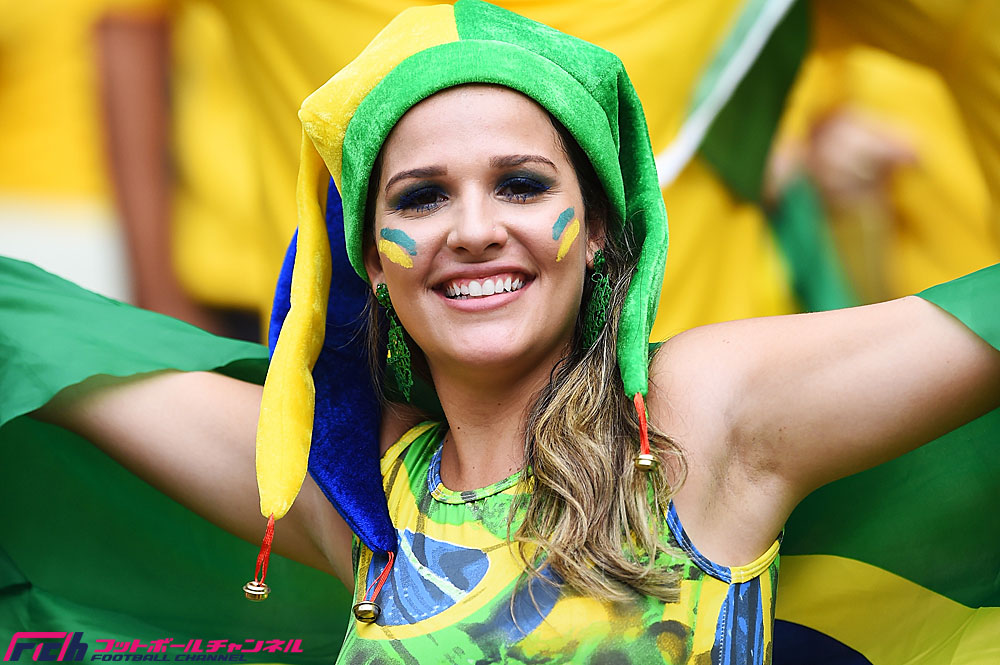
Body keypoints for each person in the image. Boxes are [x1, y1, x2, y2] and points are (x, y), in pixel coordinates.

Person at [7, 2, 1000, 663]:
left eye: (521, 185)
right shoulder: (354, 494)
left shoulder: (701, 420)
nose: (474, 228)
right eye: (421, 197)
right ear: (374, 263)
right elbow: (51, 343)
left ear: (601, 228)